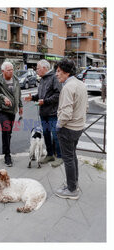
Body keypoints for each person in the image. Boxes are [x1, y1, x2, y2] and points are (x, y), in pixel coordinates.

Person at [54, 58, 88, 200]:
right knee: (72, 155)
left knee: (68, 158)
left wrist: (58, 125)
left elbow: (66, 113)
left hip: (68, 129)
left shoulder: (68, 87)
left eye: (59, 71)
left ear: (66, 72)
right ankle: (73, 183)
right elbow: (86, 107)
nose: (56, 74)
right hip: (78, 127)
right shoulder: (80, 84)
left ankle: (72, 189)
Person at [24, 59, 63, 166]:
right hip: (44, 113)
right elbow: (40, 95)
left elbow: (58, 94)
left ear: (45, 68)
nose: (36, 70)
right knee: (46, 135)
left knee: (55, 135)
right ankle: (50, 155)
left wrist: (45, 101)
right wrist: (32, 98)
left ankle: (60, 156)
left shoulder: (54, 78)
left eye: (38, 68)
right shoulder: (42, 79)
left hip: (53, 113)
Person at [0, 61, 23, 167]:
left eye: (12, 69)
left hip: (13, 110)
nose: (11, 72)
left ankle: (6, 151)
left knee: (9, 132)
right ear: (3, 71)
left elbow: (19, 93)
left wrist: (20, 106)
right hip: (2, 110)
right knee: (6, 130)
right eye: (9, 70)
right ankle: (7, 156)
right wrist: (3, 97)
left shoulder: (16, 79)